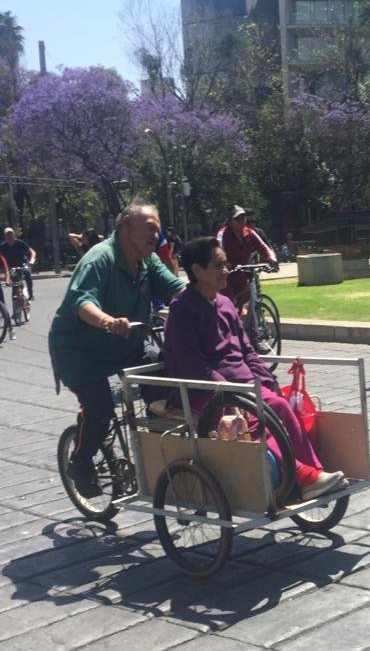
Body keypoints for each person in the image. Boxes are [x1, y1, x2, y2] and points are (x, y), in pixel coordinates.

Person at [163, 236, 347, 500]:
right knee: (255, 418)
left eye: (226, 264)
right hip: (205, 391)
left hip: (243, 387)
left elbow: (247, 350)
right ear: (197, 270)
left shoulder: (226, 303)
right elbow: (190, 362)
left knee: (280, 405)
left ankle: (312, 475)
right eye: (218, 265)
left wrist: (266, 378)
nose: (226, 271)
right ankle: (302, 475)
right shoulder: (182, 309)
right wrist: (225, 388)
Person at [48, 200, 185, 497]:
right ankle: (81, 463)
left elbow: (177, 289)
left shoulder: (147, 261)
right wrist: (108, 321)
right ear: (124, 227)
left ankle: (160, 447)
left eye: (158, 231)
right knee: (100, 410)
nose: (155, 237)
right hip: (80, 352)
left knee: (164, 376)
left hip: (126, 344)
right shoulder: (99, 259)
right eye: (149, 229)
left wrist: (211, 304)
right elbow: (82, 302)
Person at [216, 205, 278, 309]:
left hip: (244, 275)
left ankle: (253, 322)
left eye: (243, 217)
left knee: (249, 302)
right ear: (230, 221)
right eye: (238, 219)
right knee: (228, 305)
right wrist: (225, 264)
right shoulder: (222, 234)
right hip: (227, 277)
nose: (242, 221)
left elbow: (264, 247)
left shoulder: (250, 232)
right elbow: (218, 251)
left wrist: (272, 260)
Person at [0, 227, 36, 300]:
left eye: (11, 234)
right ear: (5, 237)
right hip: (12, 268)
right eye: (7, 235)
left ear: (14, 235)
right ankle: (16, 308)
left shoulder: (20, 243)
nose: (10, 236)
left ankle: (31, 293)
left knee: (27, 273)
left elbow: (32, 252)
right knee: (15, 286)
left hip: (23, 264)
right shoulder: (3, 247)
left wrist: (32, 260)